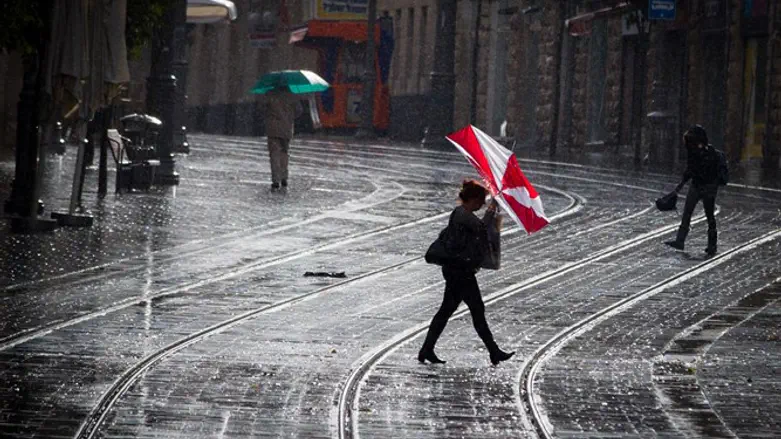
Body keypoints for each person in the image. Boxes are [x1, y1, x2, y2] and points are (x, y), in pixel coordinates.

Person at [418, 179, 515, 366]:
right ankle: (493, 351)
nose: (482, 204)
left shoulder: (462, 213)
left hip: (458, 270)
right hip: (460, 272)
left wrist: (491, 208)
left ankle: (427, 349)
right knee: (476, 309)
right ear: (472, 199)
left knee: (448, 310)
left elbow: (480, 229)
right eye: (481, 200)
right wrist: (491, 209)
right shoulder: (462, 214)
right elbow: (482, 229)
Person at [665, 125, 721, 256]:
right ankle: (709, 244)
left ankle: (686, 241)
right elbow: (692, 169)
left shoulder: (702, 152)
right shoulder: (703, 151)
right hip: (702, 186)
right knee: (702, 215)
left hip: (702, 186)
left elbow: (691, 170)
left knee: (701, 215)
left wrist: (681, 185)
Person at [264, 84, 302, 189]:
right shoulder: (292, 95)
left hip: (273, 128)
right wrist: (289, 117)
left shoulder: (270, 94)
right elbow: (299, 110)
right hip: (286, 129)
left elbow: (262, 109)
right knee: (284, 153)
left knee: (274, 153)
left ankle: (276, 179)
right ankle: (284, 177)